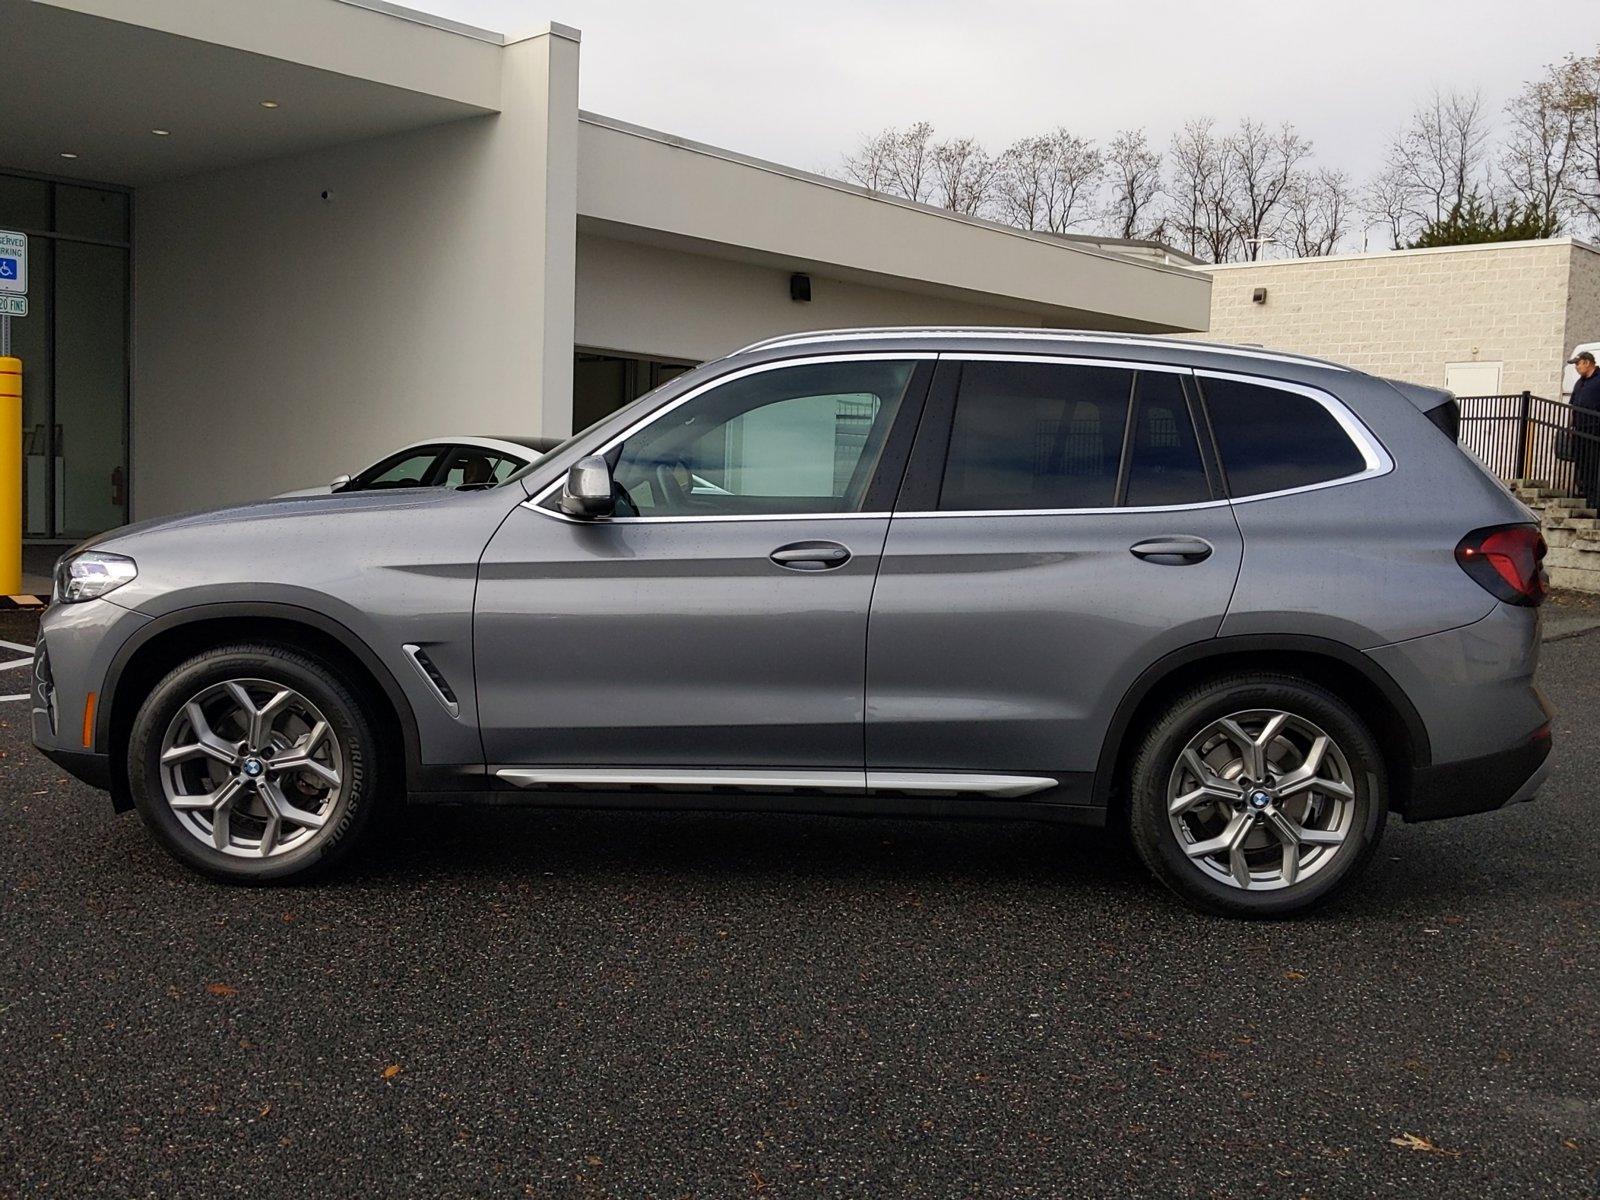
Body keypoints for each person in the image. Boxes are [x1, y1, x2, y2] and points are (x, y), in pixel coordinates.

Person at [1572, 350, 1600, 508]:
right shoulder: (1580, 382)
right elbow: (1573, 405)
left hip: (1595, 430)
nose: (1576, 367)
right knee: (1582, 465)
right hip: (1580, 430)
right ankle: (1587, 496)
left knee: (1593, 464)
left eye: (1578, 363)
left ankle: (1594, 501)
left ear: (1587, 363)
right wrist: (1571, 427)